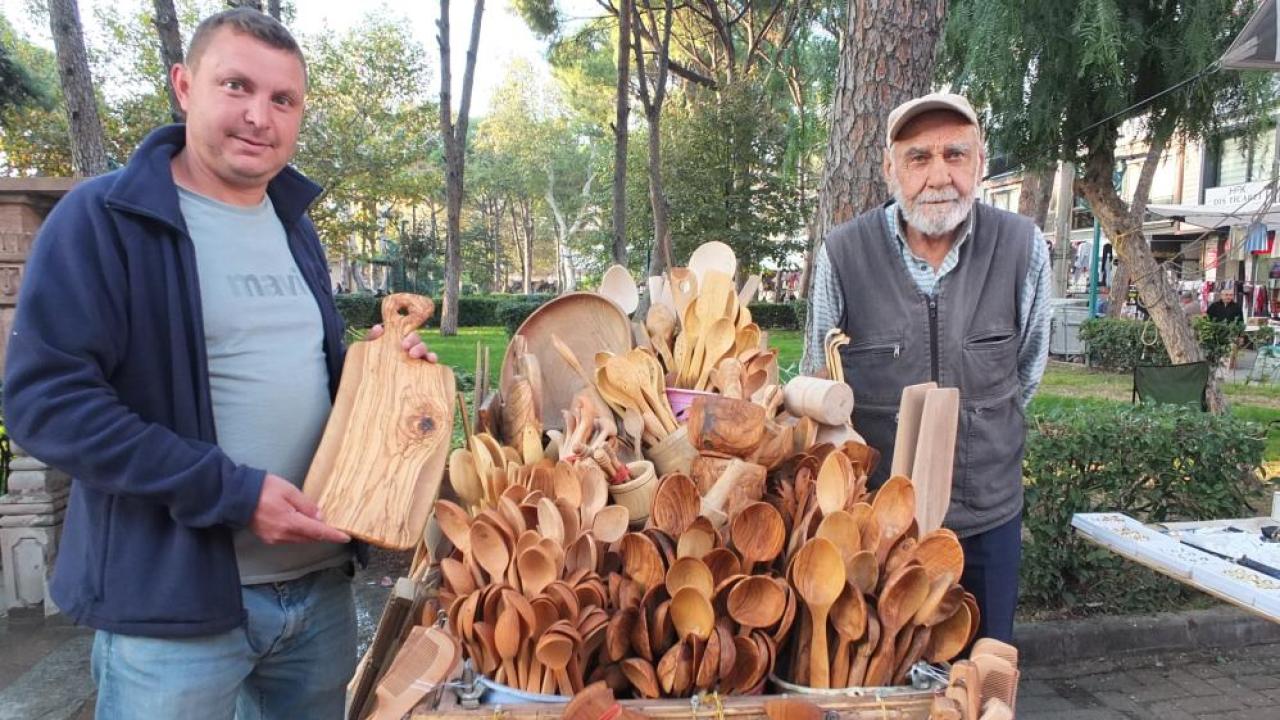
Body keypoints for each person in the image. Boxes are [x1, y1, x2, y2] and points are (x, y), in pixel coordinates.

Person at [3, 9, 436, 719]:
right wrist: (231, 493)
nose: (259, 116)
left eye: (283, 99)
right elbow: (47, 403)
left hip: (318, 589)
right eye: (237, 86)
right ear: (183, 85)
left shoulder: (294, 225)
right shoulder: (102, 219)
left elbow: (297, 372)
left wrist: (385, 378)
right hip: (172, 612)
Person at [803, 92, 1050, 643]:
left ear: (980, 163)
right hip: (875, 527)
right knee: (878, 672)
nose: (939, 176)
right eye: (918, 157)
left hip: (987, 521)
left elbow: (1027, 373)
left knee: (983, 672)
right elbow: (819, 381)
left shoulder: (1022, 248)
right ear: (890, 169)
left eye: (955, 154)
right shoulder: (843, 254)